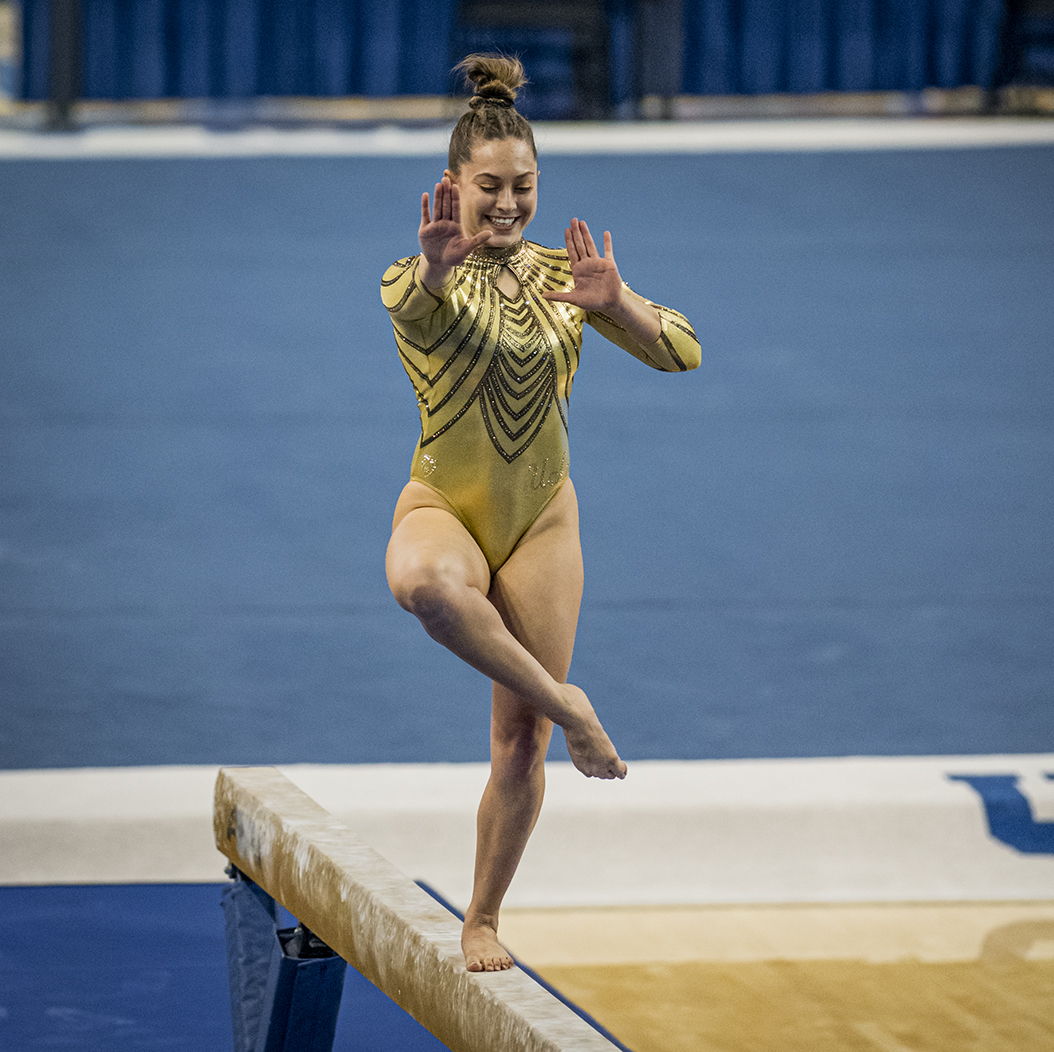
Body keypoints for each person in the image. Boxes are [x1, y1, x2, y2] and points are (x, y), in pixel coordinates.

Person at [381, 54, 701, 973]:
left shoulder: (569, 275)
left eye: (525, 185)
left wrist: (622, 302)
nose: (509, 203)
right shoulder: (421, 270)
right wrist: (441, 269)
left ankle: (481, 917)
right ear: (455, 186)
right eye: (490, 187)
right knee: (427, 586)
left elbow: (684, 353)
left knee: (517, 742)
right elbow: (412, 305)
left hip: (542, 519)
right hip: (446, 498)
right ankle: (573, 707)